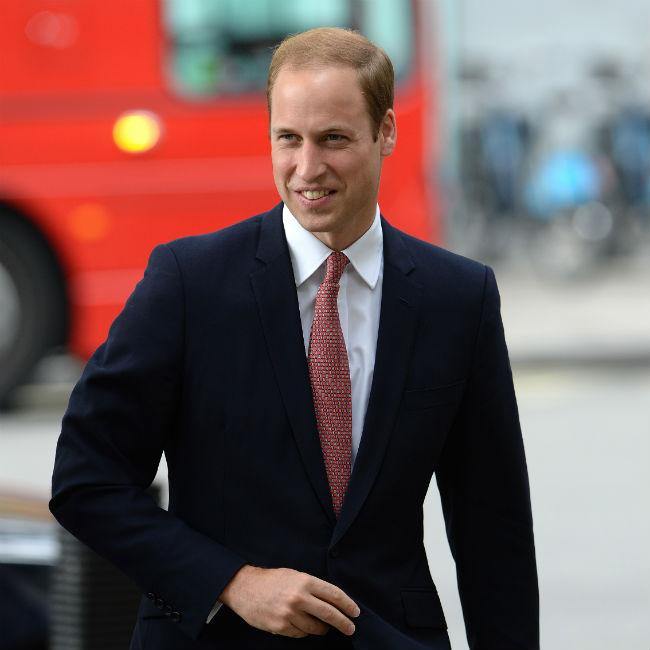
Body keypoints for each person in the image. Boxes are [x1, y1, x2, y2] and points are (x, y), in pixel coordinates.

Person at [50, 27, 539, 650]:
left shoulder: (459, 297)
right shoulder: (188, 283)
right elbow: (87, 481)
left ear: (386, 131)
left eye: (333, 138)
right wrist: (232, 582)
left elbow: (494, 528)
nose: (308, 169)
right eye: (289, 139)